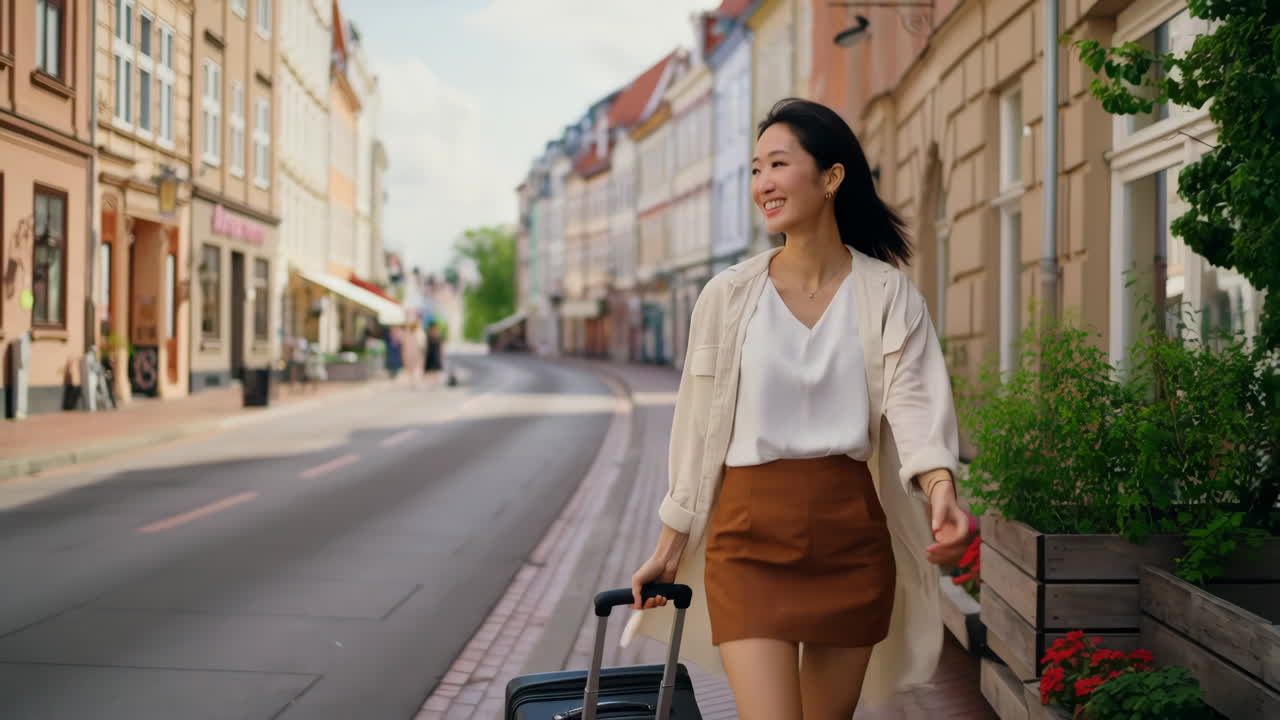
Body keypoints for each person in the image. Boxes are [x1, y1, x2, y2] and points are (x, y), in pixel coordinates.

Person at [623, 98, 970, 720]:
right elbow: (698, 434)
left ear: (831, 177)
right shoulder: (726, 297)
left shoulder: (889, 295)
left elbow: (914, 401)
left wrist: (939, 482)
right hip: (746, 539)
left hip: (851, 541)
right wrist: (670, 544)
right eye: (756, 169)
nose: (763, 185)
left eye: (777, 165)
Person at [424, 319, 444, 388]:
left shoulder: (437, 335)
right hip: (432, 354)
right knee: (432, 369)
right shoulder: (429, 335)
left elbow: (441, 346)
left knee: (434, 369)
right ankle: (433, 383)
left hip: (434, 354)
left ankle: (434, 383)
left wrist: (441, 353)